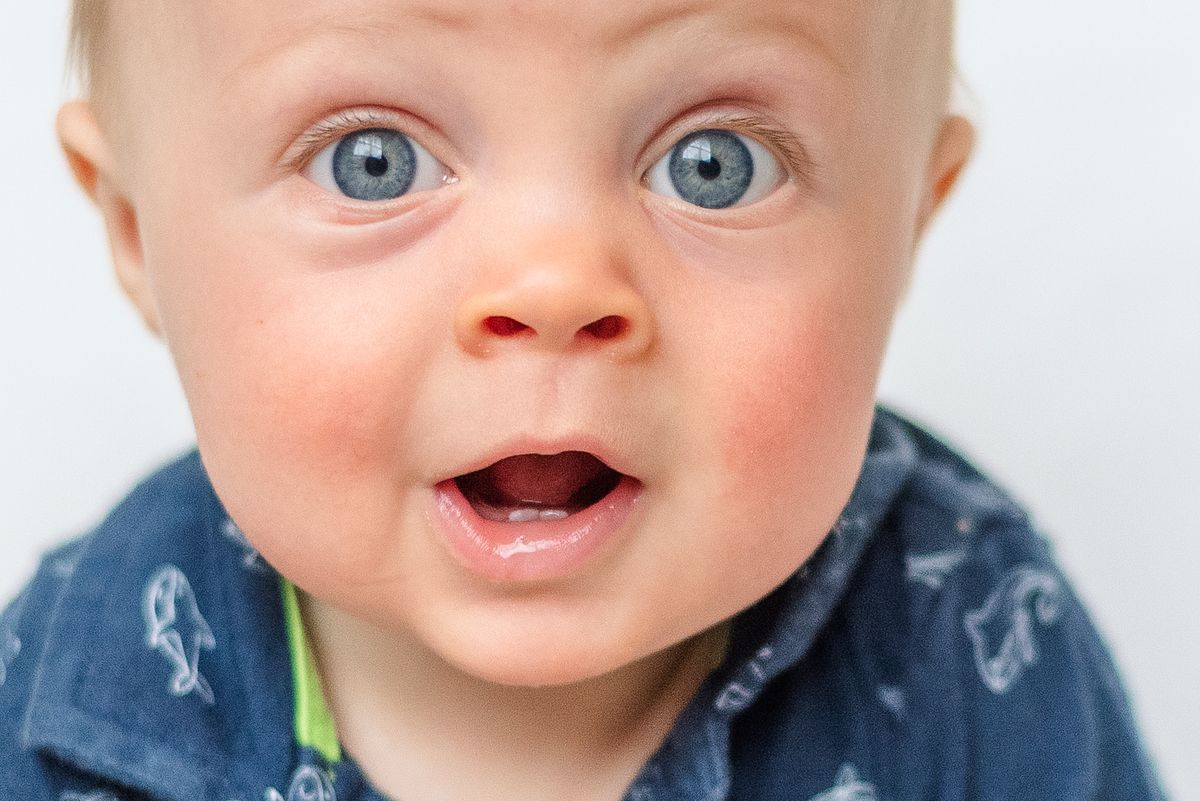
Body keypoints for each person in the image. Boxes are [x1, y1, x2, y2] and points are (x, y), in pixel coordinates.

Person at [0, 1, 1168, 799]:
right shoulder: (67, 698)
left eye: (715, 165)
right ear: (137, 233)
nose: (554, 288)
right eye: (374, 160)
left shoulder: (972, 643)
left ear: (908, 221)